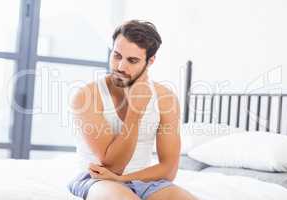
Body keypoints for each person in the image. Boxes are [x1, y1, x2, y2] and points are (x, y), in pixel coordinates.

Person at [68, 20, 198, 200]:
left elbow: (168, 170)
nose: (121, 67)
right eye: (117, 56)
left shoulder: (165, 98)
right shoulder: (87, 95)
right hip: (97, 179)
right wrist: (135, 111)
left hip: (145, 180)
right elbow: (113, 167)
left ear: (150, 61)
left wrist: (125, 179)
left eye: (133, 60)